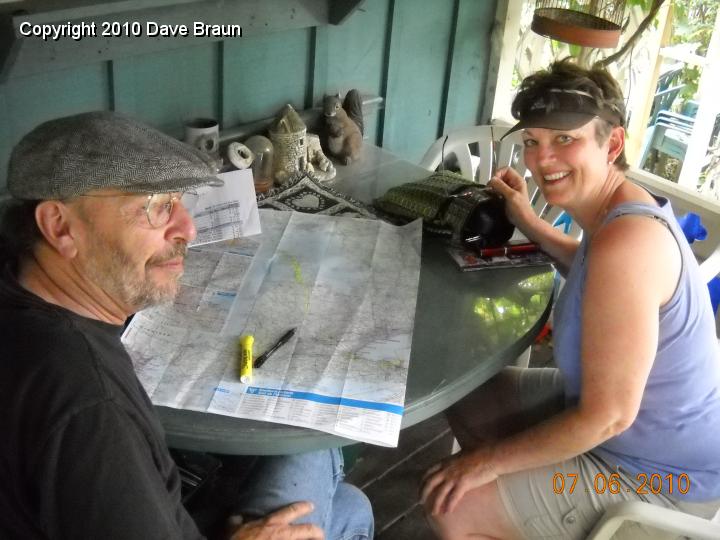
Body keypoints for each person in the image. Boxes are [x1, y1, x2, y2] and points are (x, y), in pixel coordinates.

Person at [0, 111, 373, 540]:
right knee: (319, 445)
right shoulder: (91, 408)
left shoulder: (21, 287)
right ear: (59, 226)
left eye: (179, 203)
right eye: (158, 208)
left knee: (350, 507)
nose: (189, 229)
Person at [420, 59, 720, 539]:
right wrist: (528, 219)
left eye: (565, 139)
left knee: (454, 505)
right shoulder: (619, 209)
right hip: (621, 424)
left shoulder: (629, 245)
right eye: (533, 142)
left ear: (613, 143)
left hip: (663, 475)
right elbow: (587, 263)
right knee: (470, 397)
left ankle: (502, 510)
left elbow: (608, 417)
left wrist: (486, 464)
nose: (543, 160)